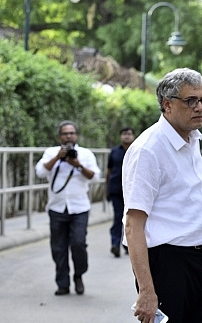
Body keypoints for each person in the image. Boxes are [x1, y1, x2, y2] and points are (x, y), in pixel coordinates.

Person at [123, 68, 202, 323]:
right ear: (167, 104)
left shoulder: (192, 140)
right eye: (191, 101)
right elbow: (134, 224)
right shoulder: (149, 149)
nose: (200, 107)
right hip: (164, 263)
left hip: (197, 259)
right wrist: (147, 291)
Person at [35, 120, 101, 295]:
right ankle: (62, 284)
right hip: (56, 208)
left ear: (76, 135)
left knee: (78, 243)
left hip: (80, 208)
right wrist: (57, 157)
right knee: (58, 247)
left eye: (71, 133)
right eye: (65, 133)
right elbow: (40, 172)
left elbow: (95, 177)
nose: (68, 136)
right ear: (59, 137)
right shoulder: (51, 152)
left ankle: (79, 274)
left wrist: (77, 164)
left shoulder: (85, 154)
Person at [105, 127, 135, 258]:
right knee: (118, 218)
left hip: (133, 191)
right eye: (124, 134)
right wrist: (106, 189)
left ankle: (128, 245)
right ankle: (115, 244)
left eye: (129, 134)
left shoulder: (137, 150)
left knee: (131, 219)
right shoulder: (114, 152)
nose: (126, 136)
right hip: (116, 191)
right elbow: (109, 171)